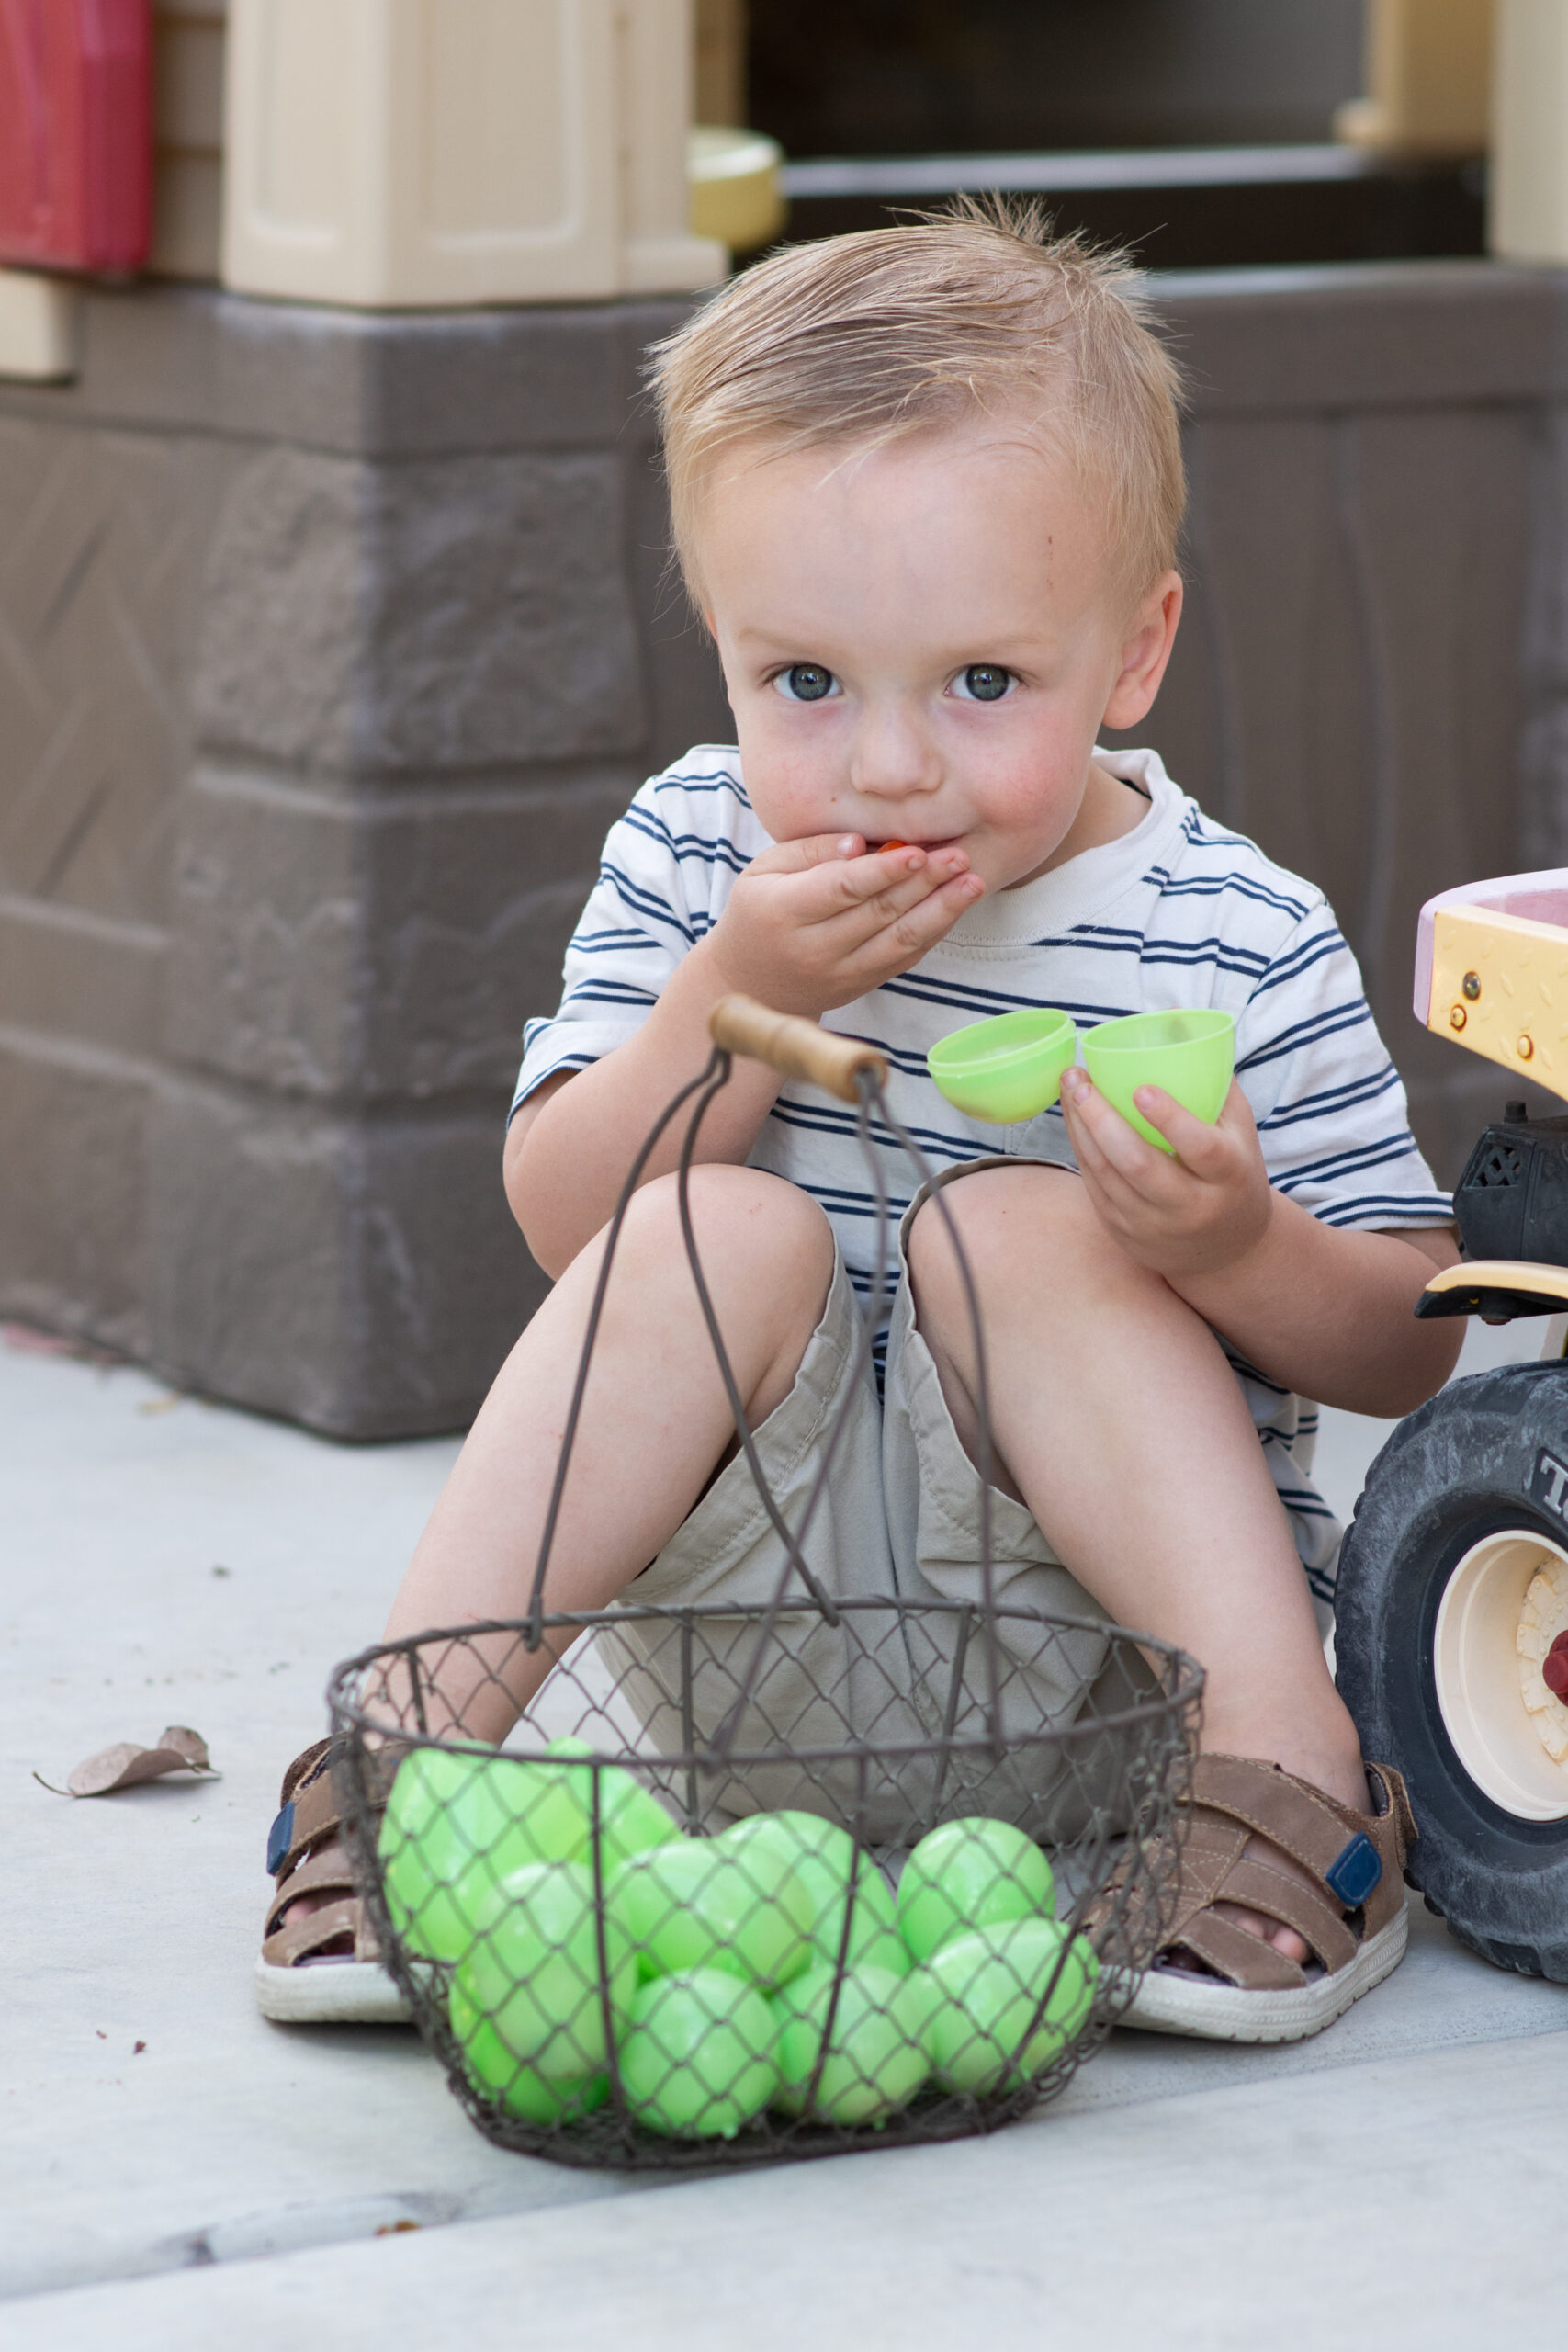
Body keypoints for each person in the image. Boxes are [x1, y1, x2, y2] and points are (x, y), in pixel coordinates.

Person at [257, 200, 1458, 2042]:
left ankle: (1303, 1782)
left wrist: (1227, 1245)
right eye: (802, 682)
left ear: (1129, 654)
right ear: (725, 651)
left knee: (1019, 1221)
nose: (888, 764)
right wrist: (728, 1006)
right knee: (706, 1220)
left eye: (982, 683)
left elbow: (1405, 1339)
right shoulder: (694, 855)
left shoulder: (1227, 931)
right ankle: (405, 1750)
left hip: (1117, 1705)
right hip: (760, 1697)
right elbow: (560, 1218)